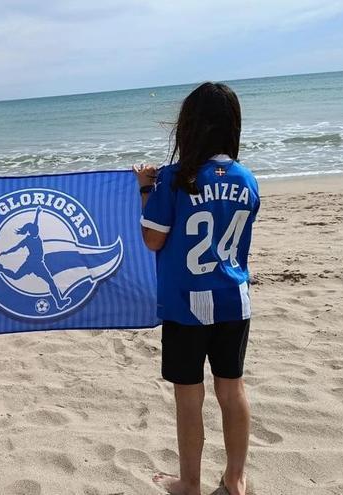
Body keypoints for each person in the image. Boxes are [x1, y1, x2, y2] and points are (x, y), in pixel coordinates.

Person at [134, 82, 260, 495]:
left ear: (188, 126)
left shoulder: (175, 179)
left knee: (189, 398)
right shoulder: (247, 180)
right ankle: (235, 481)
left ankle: (190, 483)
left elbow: (153, 239)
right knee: (232, 389)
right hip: (234, 300)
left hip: (187, 306)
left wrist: (145, 190)